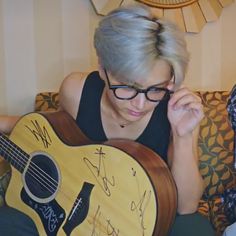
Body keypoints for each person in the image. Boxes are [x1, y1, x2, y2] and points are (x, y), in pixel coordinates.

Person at [0, 3, 215, 235]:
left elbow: (187, 206)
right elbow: (55, 138)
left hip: (146, 219)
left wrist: (182, 135)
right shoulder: (76, 91)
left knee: (195, 229)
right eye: (127, 87)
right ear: (102, 68)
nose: (140, 105)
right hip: (83, 218)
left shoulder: (177, 111)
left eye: (155, 89)